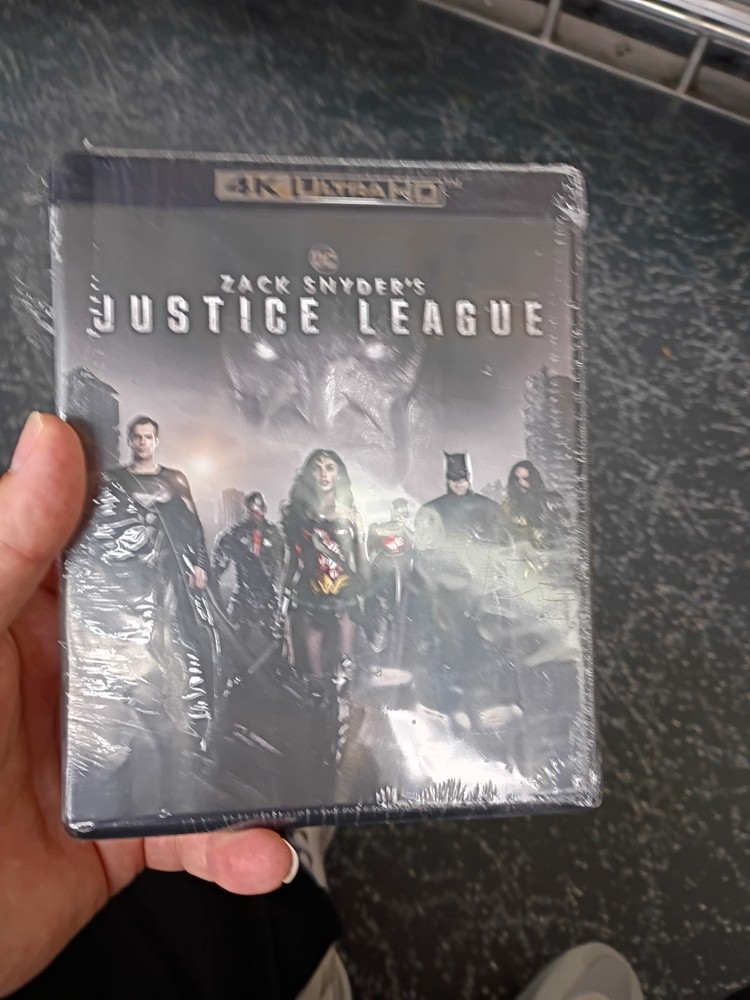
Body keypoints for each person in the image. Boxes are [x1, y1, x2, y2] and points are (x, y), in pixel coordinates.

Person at [212, 489, 284, 638]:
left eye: (259, 510)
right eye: (253, 511)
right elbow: (218, 565)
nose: (257, 514)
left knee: (276, 637)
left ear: (264, 510)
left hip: (268, 596)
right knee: (235, 636)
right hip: (243, 595)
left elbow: (285, 564)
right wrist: (211, 578)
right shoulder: (234, 534)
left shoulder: (275, 534)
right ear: (247, 511)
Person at [504, 459, 570, 550]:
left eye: (525, 478)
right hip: (522, 552)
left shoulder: (551, 499)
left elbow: (565, 530)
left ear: (533, 479)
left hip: (553, 551)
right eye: (516, 478)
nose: (520, 483)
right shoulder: (509, 505)